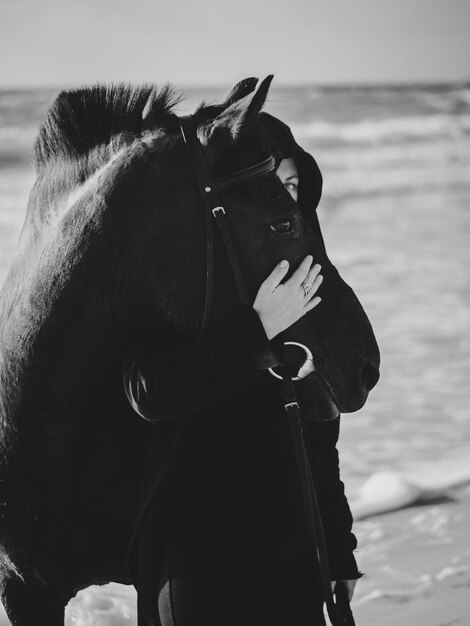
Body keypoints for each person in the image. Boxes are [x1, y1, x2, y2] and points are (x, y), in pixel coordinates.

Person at [122, 114, 362, 626]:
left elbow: (323, 436)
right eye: (270, 184)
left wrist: (340, 551)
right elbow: (149, 393)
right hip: (193, 550)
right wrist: (258, 331)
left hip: (289, 545)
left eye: (292, 185)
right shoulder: (178, 282)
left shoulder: (309, 287)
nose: (282, 198)